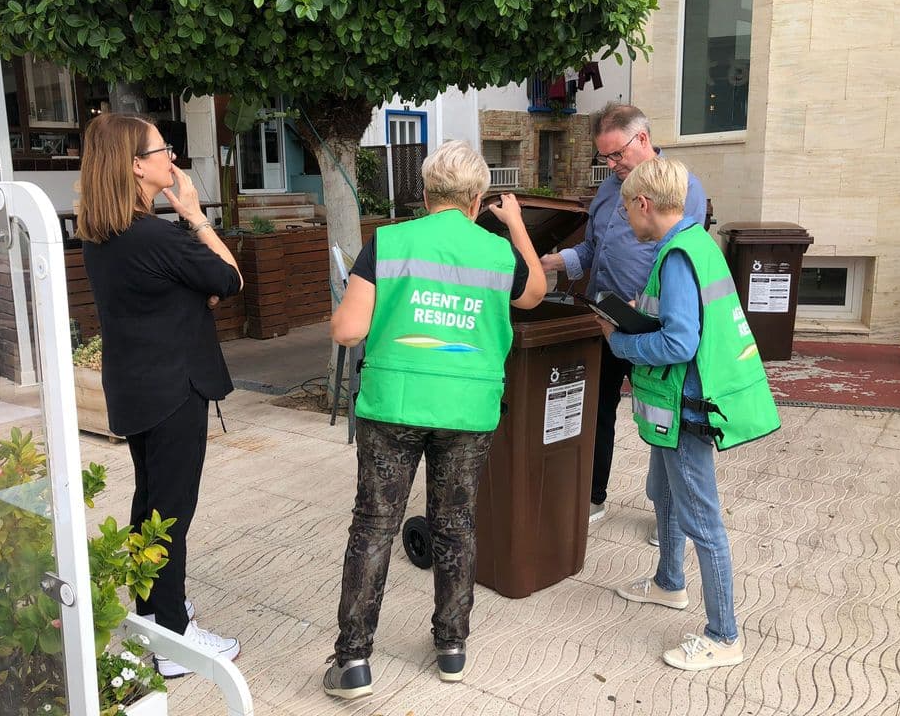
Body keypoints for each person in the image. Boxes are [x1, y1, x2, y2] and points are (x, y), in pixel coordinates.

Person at [324, 140, 546, 699]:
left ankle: (352, 662)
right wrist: (516, 225)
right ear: (476, 198)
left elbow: (347, 332)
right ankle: (451, 648)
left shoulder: (390, 242)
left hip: (393, 407)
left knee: (374, 526)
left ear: (425, 196)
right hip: (467, 413)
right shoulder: (496, 253)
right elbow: (535, 294)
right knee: (457, 525)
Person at [595, 156, 779, 670]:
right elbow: (682, 317)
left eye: (627, 207)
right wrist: (641, 312)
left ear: (644, 204)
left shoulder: (676, 255)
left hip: (684, 408)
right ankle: (668, 582)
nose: (624, 217)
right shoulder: (697, 241)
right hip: (673, 408)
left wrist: (623, 341)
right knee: (664, 494)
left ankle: (724, 636)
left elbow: (679, 340)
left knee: (703, 520)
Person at [78, 113, 244, 678]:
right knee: (171, 511)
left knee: (150, 504)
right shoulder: (155, 233)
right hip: (174, 388)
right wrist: (196, 216)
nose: (170, 158)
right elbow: (229, 280)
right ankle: (172, 637)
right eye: (162, 149)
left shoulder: (103, 232)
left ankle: (152, 608)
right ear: (135, 165)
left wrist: (196, 286)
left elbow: (181, 292)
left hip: (135, 385)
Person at [540, 103, 707, 541]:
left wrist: (649, 302)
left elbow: (682, 257)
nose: (612, 166)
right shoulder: (610, 189)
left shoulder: (682, 186)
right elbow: (593, 250)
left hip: (653, 326)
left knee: (662, 418)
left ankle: (667, 514)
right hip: (605, 318)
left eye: (617, 155)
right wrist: (554, 261)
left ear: (644, 139)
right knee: (597, 409)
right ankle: (594, 495)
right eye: (605, 158)